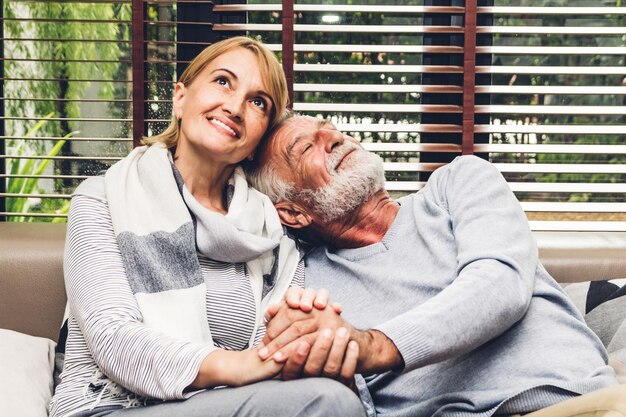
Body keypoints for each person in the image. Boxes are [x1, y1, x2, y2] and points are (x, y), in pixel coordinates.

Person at [49, 39, 365, 417]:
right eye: (222, 81)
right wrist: (243, 365)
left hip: (223, 406)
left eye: (257, 101)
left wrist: (311, 341)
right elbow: (112, 338)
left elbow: (277, 352)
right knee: (328, 403)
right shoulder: (102, 198)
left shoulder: (273, 234)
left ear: (256, 142)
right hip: (106, 406)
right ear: (180, 99)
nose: (234, 107)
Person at [244, 113, 619, 417]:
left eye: (331, 130)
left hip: (573, 402)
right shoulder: (305, 285)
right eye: (308, 146)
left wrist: (371, 346)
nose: (334, 139)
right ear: (292, 212)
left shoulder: (458, 183)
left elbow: (500, 284)